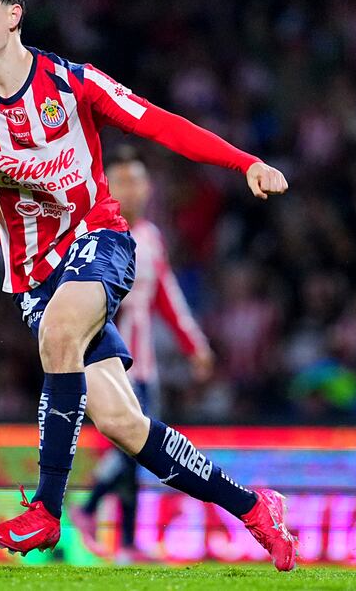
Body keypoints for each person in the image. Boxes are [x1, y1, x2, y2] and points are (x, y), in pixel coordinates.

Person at [0, 0, 297, 571]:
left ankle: (46, 507)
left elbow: (158, 123)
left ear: (14, 16)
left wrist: (243, 162)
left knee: (59, 332)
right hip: (35, 274)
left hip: (99, 239)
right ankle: (255, 507)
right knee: (123, 422)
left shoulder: (69, 83)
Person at [69, 146, 215, 564]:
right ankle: (91, 508)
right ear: (106, 186)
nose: (131, 191)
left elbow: (167, 298)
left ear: (149, 188)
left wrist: (195, 346)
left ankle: (125, 541)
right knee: (135, 448)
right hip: (108, 361)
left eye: (137, 182)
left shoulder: (150, 238)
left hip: (144, 364)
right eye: (122, 182)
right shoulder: (92, 237)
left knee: (134, 454)